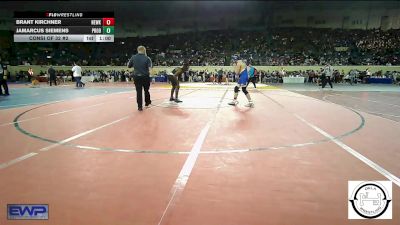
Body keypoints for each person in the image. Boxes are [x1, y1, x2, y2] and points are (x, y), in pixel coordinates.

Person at [128, 45, 152, 111]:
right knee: (146, 90)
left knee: (138, 92)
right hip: (145, 77)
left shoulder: (133, 57)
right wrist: (151, 76)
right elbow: (150, 69)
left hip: (137, 77)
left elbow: (129, 66)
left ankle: (139, 107)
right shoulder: (147, 58)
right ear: (144, 50)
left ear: (138, 50)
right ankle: (147, 102)